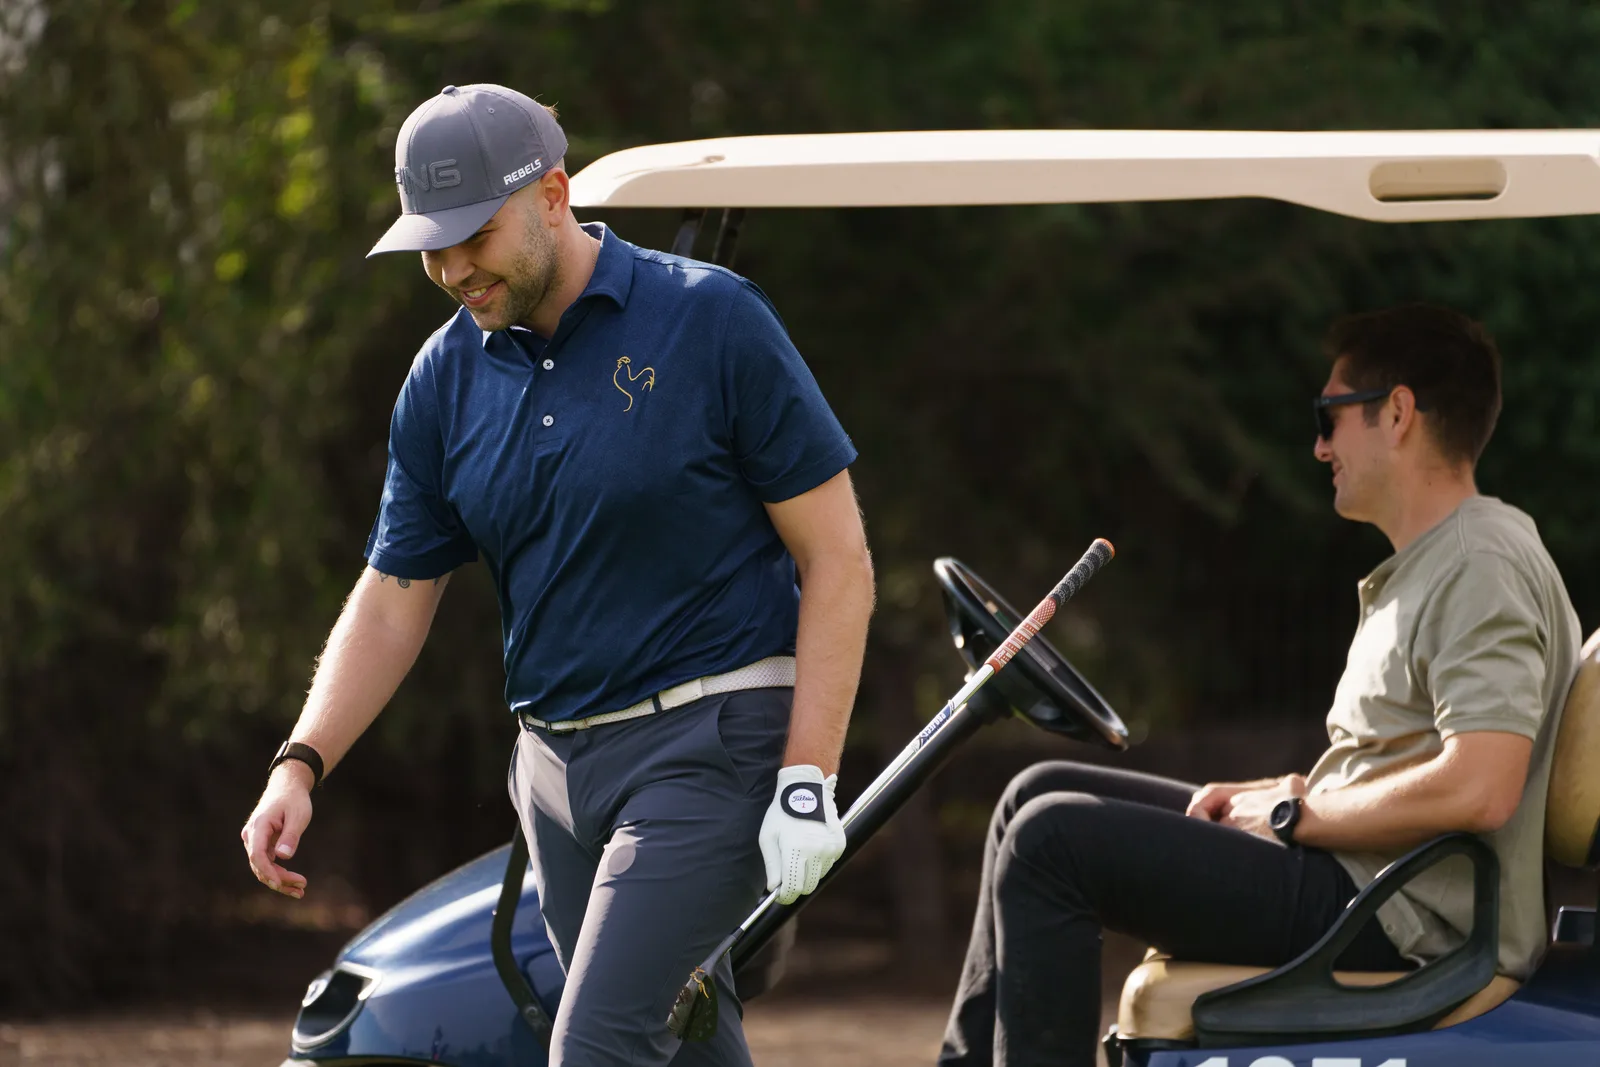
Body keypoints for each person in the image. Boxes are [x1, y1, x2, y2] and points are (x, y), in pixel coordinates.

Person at [240, 84, 875, 1067]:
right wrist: (301, 759)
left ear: (552, 194)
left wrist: (806, 776)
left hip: (709, 751)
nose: (453, 269)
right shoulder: (443, 377)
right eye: (431, 248)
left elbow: (837, 557)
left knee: (596, 1047)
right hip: (554, 778)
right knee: (687, 1048)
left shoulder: (710, 319)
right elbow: (394, 597)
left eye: (474, 236)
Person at [938, 304, 1582, 1067]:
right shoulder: (1441, 560)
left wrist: (1292, 816)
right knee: (1034, 791)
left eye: (1329, 417)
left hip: (1406, 916)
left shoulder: (1480, 562)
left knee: (1051, 842)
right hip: (1372, 881)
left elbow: (1482, 786)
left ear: (1397, 413)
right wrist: (1288, 792)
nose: (1319, 446)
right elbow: (1402, 760)